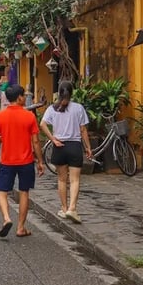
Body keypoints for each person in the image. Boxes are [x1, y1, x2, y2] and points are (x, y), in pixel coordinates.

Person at [0, 85, 45, 238]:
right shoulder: (29, 116)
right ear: (19, 98)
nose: (25, 98)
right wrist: (40, 161)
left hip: (7, 161)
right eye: (24, 95)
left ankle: (7, 218)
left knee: (2, 192)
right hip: (26, 161)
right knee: (24, 192)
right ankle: (20, 228)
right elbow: (36, 142)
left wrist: (4, 138)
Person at [39, 80, 92, 224]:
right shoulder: (78, 108)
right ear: (72, 92)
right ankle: (72, 208)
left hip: (59, 147)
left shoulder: (52, 108)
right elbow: (83, 130)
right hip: (74, 146)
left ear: (59, 92)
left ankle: (64, 208)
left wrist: (53, 139)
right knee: (75, 180)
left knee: (62, 179)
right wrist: (88, 147)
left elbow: (42, 124)